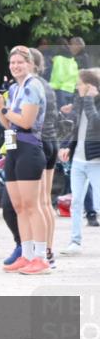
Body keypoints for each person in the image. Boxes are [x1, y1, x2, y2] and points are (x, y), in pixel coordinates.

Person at [0, 46, 51, 275]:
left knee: (33, 205)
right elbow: (9, 124)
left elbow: (27, 121)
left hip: (30, 147)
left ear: (30, 64)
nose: (15, 66)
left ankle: (41, 257)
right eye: (12, 63)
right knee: (19, 206)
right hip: (14, 147)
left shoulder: (33, 86)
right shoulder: (13, 88)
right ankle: (26, 254)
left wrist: (2, 107)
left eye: (20, 62)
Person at [59, 68, 100, 254]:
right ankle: (75, 242)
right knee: (76, 201)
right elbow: (76, 129)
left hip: (96, 162)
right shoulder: (81, 102)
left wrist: (90, 99)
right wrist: (67, 145)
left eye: (80, 83)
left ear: (90, 85)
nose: (77, 86)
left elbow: (95, 123)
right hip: (78, 160)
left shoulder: (92, 103)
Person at [29, 48, 61, 268]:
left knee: (37, 203)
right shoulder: (46, 85)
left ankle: (41, 252)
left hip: (38, 143)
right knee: (46, 202)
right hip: (52, 141)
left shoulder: (32, 86)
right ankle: (49, 250)